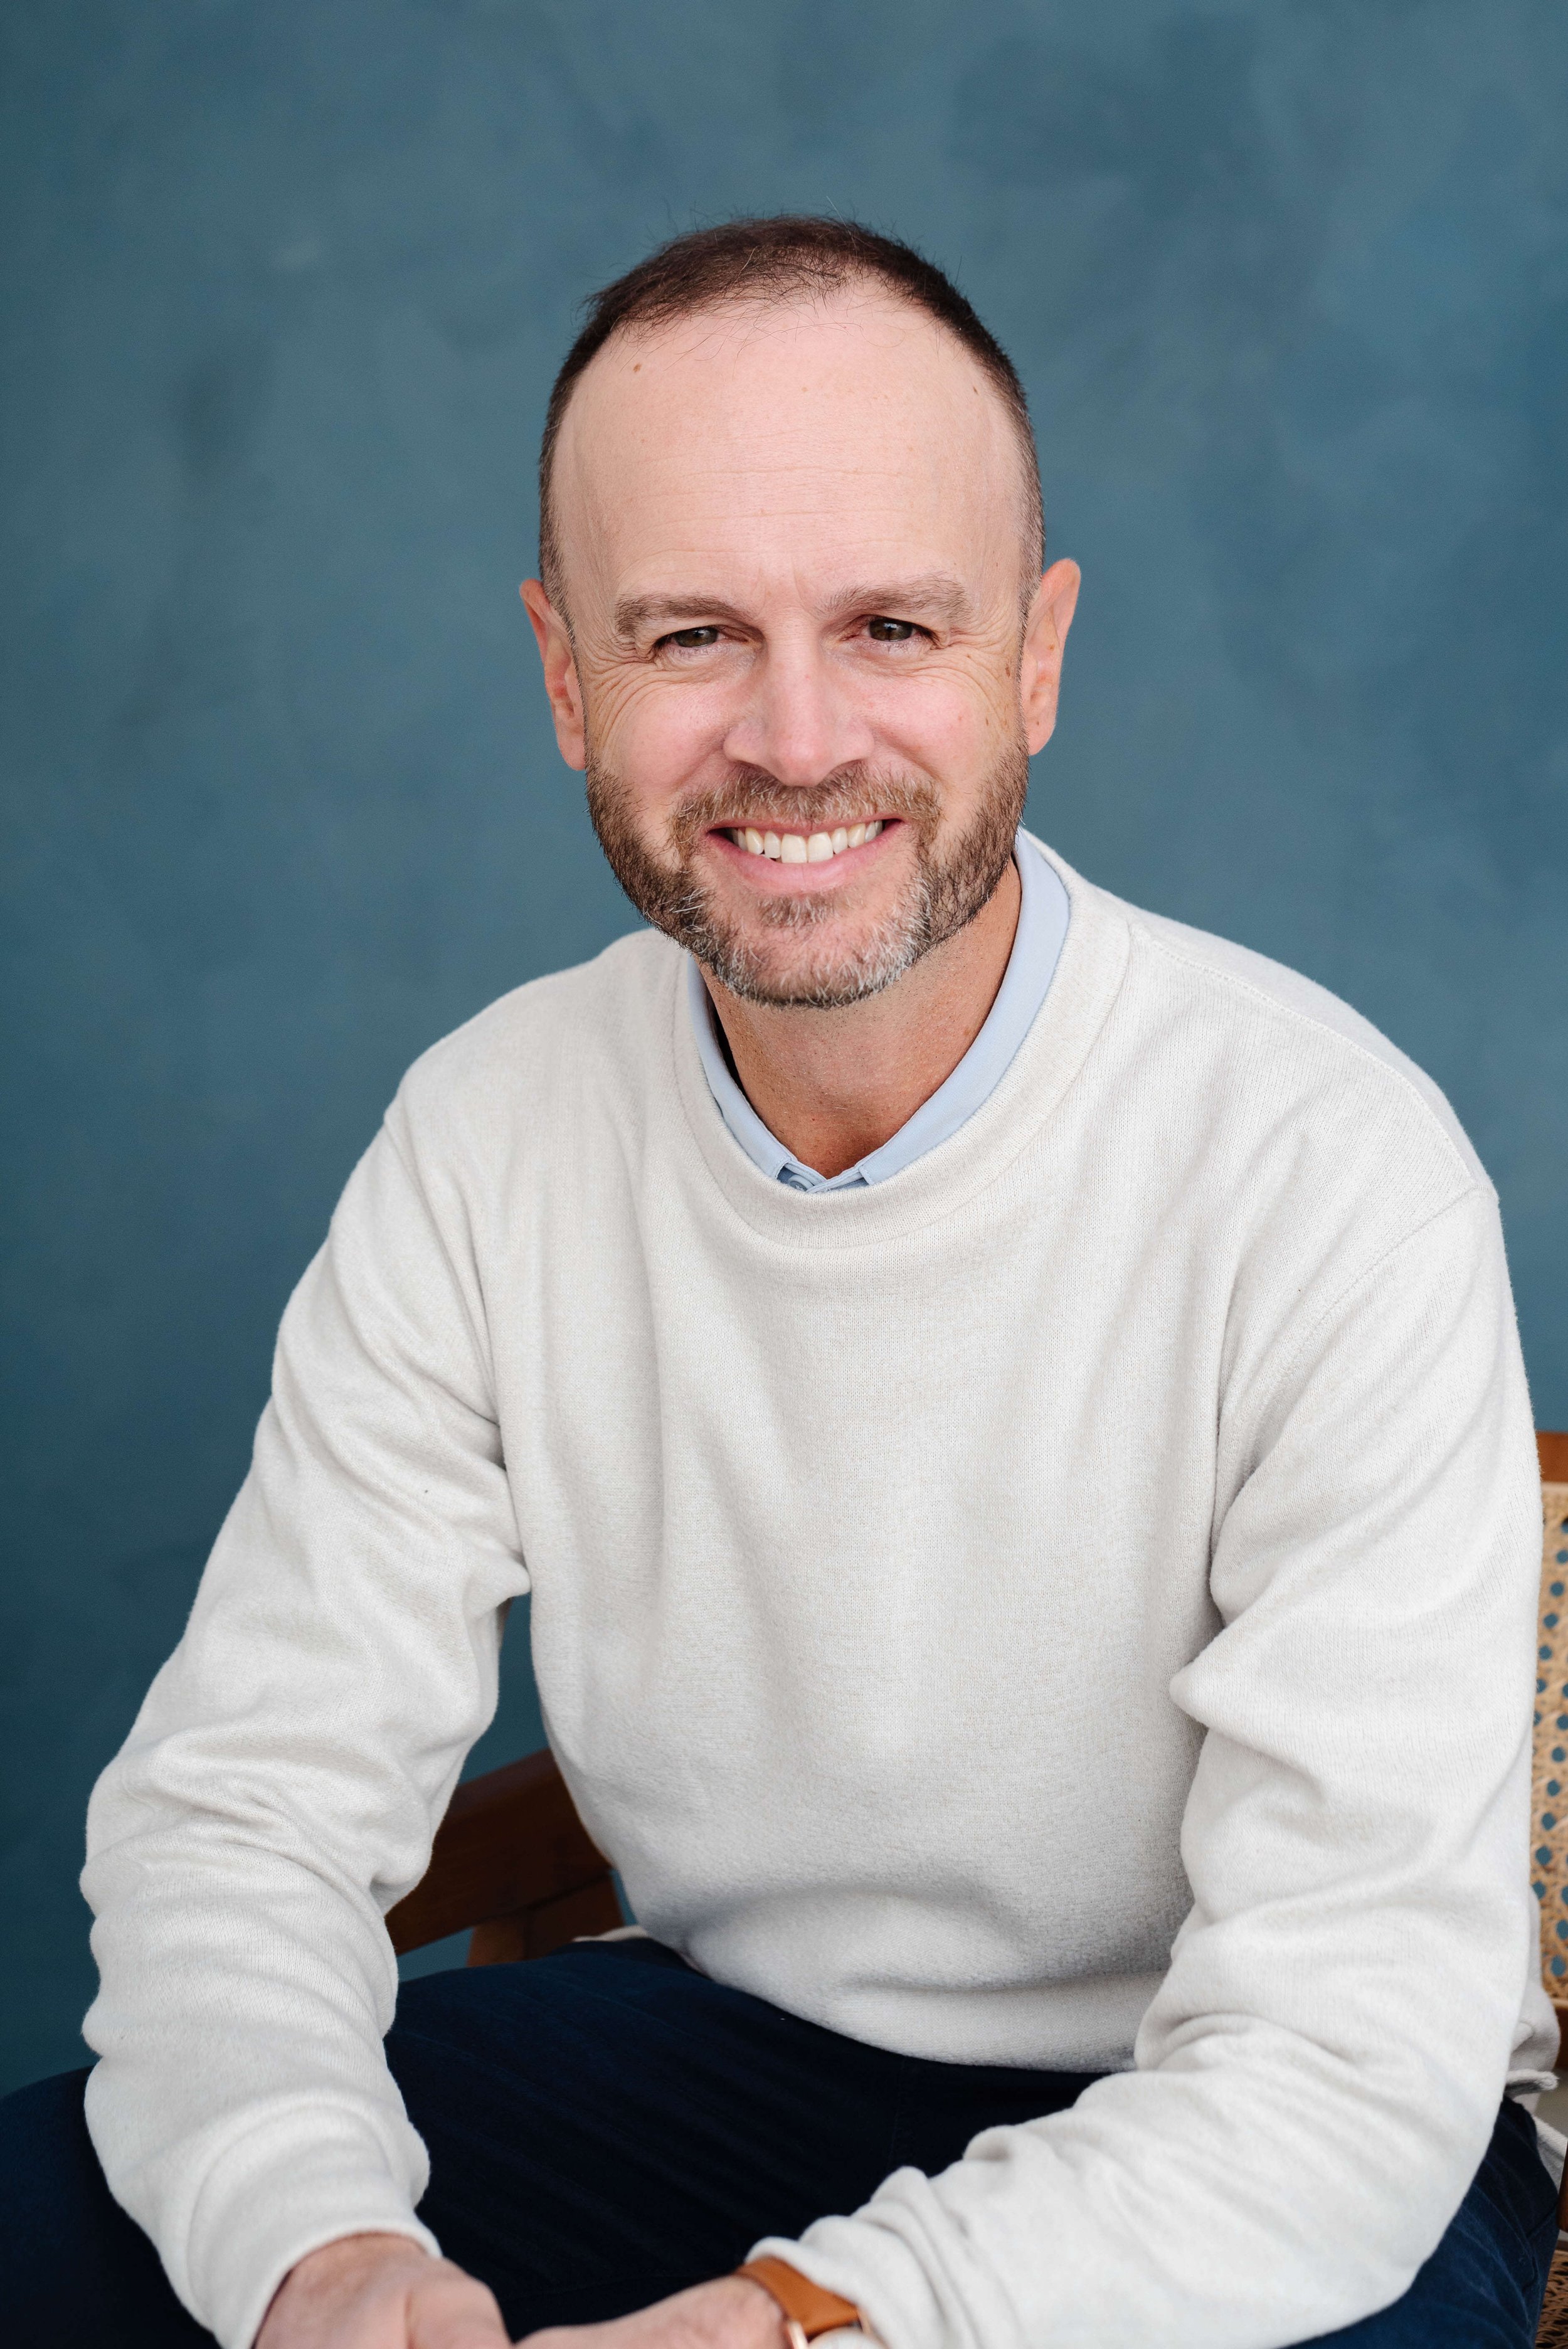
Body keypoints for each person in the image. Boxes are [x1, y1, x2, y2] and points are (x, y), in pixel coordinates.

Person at [2, 215, 1557, 2349]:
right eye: (692, 635)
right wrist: (316, 2248)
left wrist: (804, 2322)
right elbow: (240, 1809)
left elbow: (1347, 2056)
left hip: (1272, 2139)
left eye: (894, 623)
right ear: (568, 679)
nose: (795, 736)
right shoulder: (488, 1137)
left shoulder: (1326, 1170)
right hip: (740, 2055)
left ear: (1037, 656)